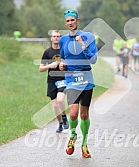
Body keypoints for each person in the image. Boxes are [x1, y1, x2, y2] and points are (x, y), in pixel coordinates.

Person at [59, 9, 97, 158]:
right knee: (73, 113)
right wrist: (62, 65)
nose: (70, 23)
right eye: (68, 21)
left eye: (72, 20)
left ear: (77, 21)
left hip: (86, 78)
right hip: (72, 80)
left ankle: (84, 144)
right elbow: (63, 58)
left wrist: (83, 45)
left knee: (84, 114)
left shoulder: (88, 37)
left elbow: (93, 59)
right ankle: (73, 136)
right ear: (65, 23)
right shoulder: (63, 40)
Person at [39, 30, 69, 132]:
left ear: (60, 38)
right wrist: (50, 66)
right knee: (55, 105)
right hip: (51, 80)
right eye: (54, 36)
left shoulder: (64, 51)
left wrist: (64, 65)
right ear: (51, 38)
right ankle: (60, 123)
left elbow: (71, 64)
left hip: (63, 79)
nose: (56, 38)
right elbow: (41, 68)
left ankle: (64, 117)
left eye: (58, 36)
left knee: (60, 100)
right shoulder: (47, 52)